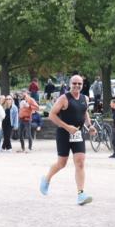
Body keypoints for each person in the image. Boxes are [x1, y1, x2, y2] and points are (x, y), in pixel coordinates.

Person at [40, 75, 96, 204]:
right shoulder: (63, 98)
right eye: (74, 83)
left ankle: (81, 194)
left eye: (79, 84)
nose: (77, 86)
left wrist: (90, 126)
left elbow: (85, 112)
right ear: (70, 84)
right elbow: (51, 115)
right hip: (64, 134)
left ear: (83, 85)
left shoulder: (85, 98)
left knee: (80, 162)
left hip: (78, 134)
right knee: (62, 163)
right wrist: (67, 127)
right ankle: (46, 179)